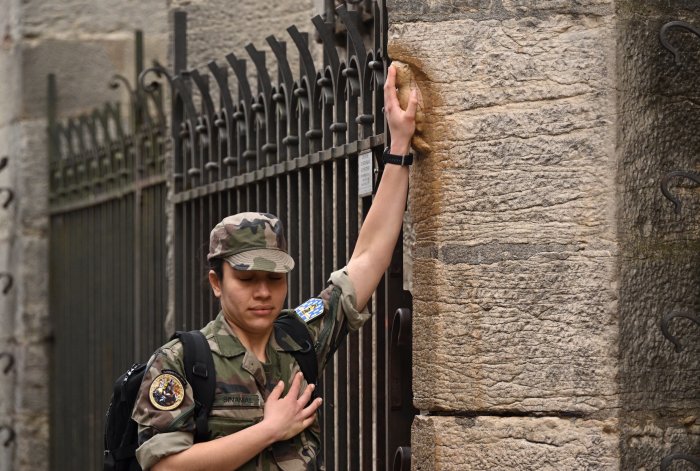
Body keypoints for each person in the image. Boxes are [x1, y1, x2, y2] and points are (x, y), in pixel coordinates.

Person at [131, 64, 419, 471]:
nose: (263, 292)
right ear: (216, 282)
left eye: (274, 278)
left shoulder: (299, 339)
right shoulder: (181, 362)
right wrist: (269, 429)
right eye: (247, 279)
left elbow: (369, 256)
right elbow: (165, 466)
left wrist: (400, 146)